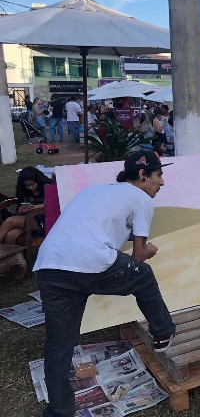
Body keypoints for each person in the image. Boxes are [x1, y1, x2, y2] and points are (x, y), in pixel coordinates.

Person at [34, 151, 176, 417]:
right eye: (159, 175)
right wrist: (150, 250)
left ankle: (59, 412)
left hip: (50, 266)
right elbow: (138, 257)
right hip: (90, 263)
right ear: (143, 175)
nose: (162, 183)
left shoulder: (94, 191)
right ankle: (163, 331)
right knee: (143, 275)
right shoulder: (141, 198)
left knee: (58, 345)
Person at [0, 167, 51, 244]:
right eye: (27, 185)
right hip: (27, 220)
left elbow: (54, 206)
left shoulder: (48, 188)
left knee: (10, 221)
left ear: (38, 180)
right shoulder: (23, 191)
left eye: (32, 184)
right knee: (11, 235)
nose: (30, 187)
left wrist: (38, 207)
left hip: (44, 221)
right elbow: (19, 211)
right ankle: (13, 256)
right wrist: (21, 211)